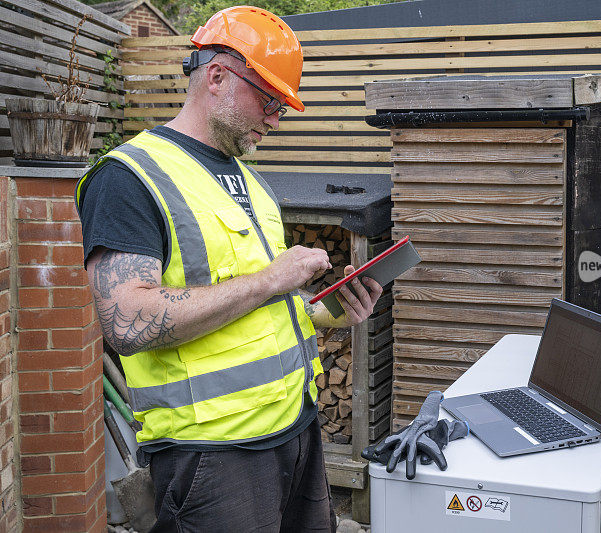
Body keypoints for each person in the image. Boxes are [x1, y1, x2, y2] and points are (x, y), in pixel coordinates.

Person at [75, 7, 382, 532]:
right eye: (269, 100)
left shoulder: (249, 179)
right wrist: (273, 278)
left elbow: (254, 308)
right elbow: (126, 321)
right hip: (214, 457)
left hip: (298, 431)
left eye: (283, 106)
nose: (276, 119)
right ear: (217, 76)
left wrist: (326, 314)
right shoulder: (129, 178)